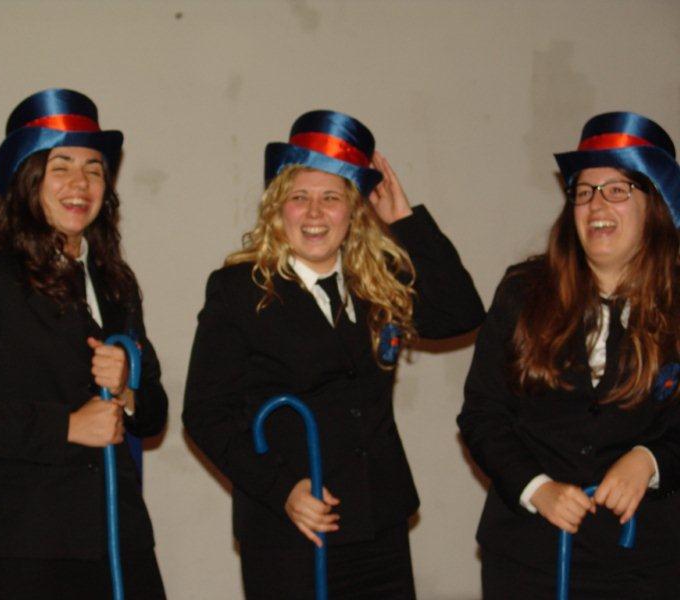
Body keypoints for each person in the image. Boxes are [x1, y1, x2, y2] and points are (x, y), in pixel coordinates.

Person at [183, 110, 484, 599]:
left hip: (378, 524)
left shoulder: (376, 280)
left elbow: (461, 313)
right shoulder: (238, 289)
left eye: (332, 197)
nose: (315, 213)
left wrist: (405, 220)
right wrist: (283, 490)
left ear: (354, 210)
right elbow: (205, 413)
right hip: (291, 531)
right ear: (278, 208)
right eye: (300, 197)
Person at [0, 88, 168, 599]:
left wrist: (128, 390)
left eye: (94, 169)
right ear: (28, 179)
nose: (80, 184)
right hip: (23, 546)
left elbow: (153, 414)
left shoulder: (116, 282)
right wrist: (68, 426)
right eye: (62, 167)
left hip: (119, 538)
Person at [458, 112, 680, 599]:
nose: (596, 204)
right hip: (528, 555)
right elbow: (482, 414)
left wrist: (649, 460)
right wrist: (535, 487)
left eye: (617, 189)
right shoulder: (523, 291)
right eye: (584, 191)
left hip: (644, 560)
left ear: (656, 204)